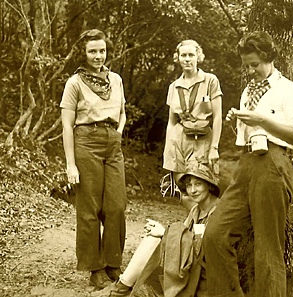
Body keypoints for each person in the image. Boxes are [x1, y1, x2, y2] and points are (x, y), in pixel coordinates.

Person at [202, 31, 293, 297]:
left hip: (274, 163)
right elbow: (249, 133)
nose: (251, 70)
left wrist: (262, 120)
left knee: (267, 249)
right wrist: (236, 121)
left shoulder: (288, 90)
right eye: (247, 65)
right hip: (247, 163)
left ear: (269, 58)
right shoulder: (249, 90)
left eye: (255, 64)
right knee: (215, 234)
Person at [60, 29, 127, 289]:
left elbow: (122, 111)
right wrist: (70, 164)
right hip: (85, 141)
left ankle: (113, 262)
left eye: (102, 50)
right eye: (92, 51)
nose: (98, 56)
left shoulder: (117, 80)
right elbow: (67, 126)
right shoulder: (74, 83)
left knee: (116, 205)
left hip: (112, 143)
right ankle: (94, 268)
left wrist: (118, 132)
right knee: (88, 208)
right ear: (84, 53)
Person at [92, 161, 220, 297]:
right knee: (153, 238)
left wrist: (165, 233)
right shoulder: (196, 209)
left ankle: (121, 287)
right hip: (189, 263)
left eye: (198, 184)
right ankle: (121, 286)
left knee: (159, 238)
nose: (193, 190)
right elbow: (184, 236)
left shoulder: (219, 211)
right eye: (189, 185)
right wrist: (163, 234)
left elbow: (206, 246)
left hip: (205, 272)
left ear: (209, 186)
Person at [162, 39, 223, 210]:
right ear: (178, 58)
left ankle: (206, 230)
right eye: (183, 55)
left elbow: (218, 116)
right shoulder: (174, 87)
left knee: (203, 189)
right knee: (185, 191)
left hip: (202, 139)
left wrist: (214, 147)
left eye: (191, 55)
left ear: (199, 57)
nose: (187, 59)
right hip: (178, 140)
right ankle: (193, 230)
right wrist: (168, 149)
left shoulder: (210, 81)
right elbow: (171, 122)